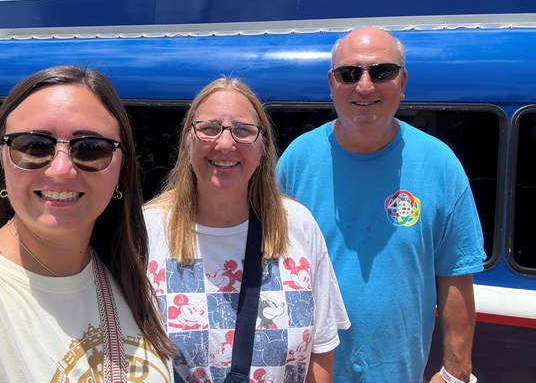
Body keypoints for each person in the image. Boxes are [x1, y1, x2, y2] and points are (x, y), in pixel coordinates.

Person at [0, 65, 175, 382]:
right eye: (33, 145)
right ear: (1, 159)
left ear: (121, 166)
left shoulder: (133, 285)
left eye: (90, 149)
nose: (61, 169)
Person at [276, 27, 486, 383]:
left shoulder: (440, 164)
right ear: (331, 83)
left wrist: (456, 372)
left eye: (381, 71)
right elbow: (269, 266)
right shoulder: (296, 161)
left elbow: (456, 273)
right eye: (349, 73)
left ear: (402, 82)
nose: (364, 85)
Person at [144, 77, 349, 383]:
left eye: (243, 130)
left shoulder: (297, 224)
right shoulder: (148, 229)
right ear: (187, 141)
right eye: (209, 128)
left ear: (263, 147)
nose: (225, 144)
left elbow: (320, 352)